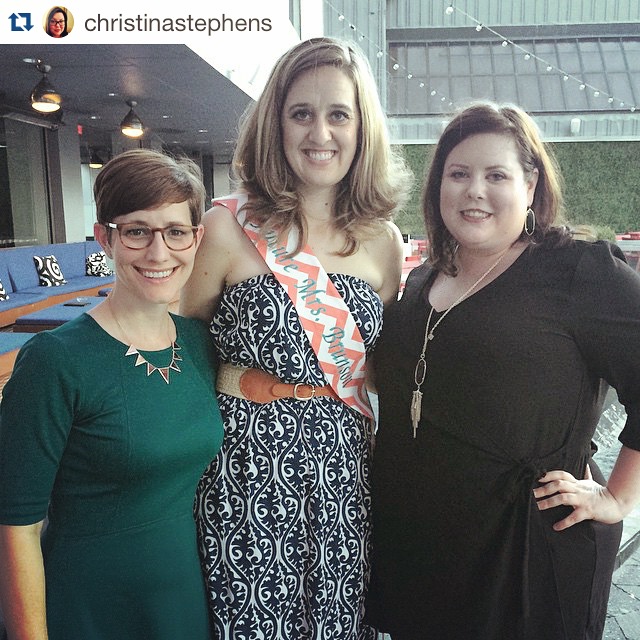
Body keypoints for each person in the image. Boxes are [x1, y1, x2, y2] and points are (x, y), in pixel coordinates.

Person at [366, 101, 640, 639]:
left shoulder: (578, 271)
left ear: (530, 185)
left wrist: (619, 497)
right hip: (423, 548)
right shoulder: (421, 280)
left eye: (496, 175)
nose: (474, 190)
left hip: (524, 555)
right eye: (458, 174)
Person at [181, 36, 411, 639]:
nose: (320, 133)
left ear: (362, 129)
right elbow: (183, 349)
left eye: (339, 114)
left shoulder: (383, 241)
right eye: (301, 113)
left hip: (345, 476)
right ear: (275, 123)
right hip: (245, 472)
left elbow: (379, 367)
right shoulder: (227, 227)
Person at [0, 149, 224, 639]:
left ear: (197, 238)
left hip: (182, 596)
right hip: (87, 605)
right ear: (105, 237)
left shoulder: (199, 343)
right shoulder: (54, 360)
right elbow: (16, 527)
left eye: (176, 231)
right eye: (137, 231)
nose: (159, 253)